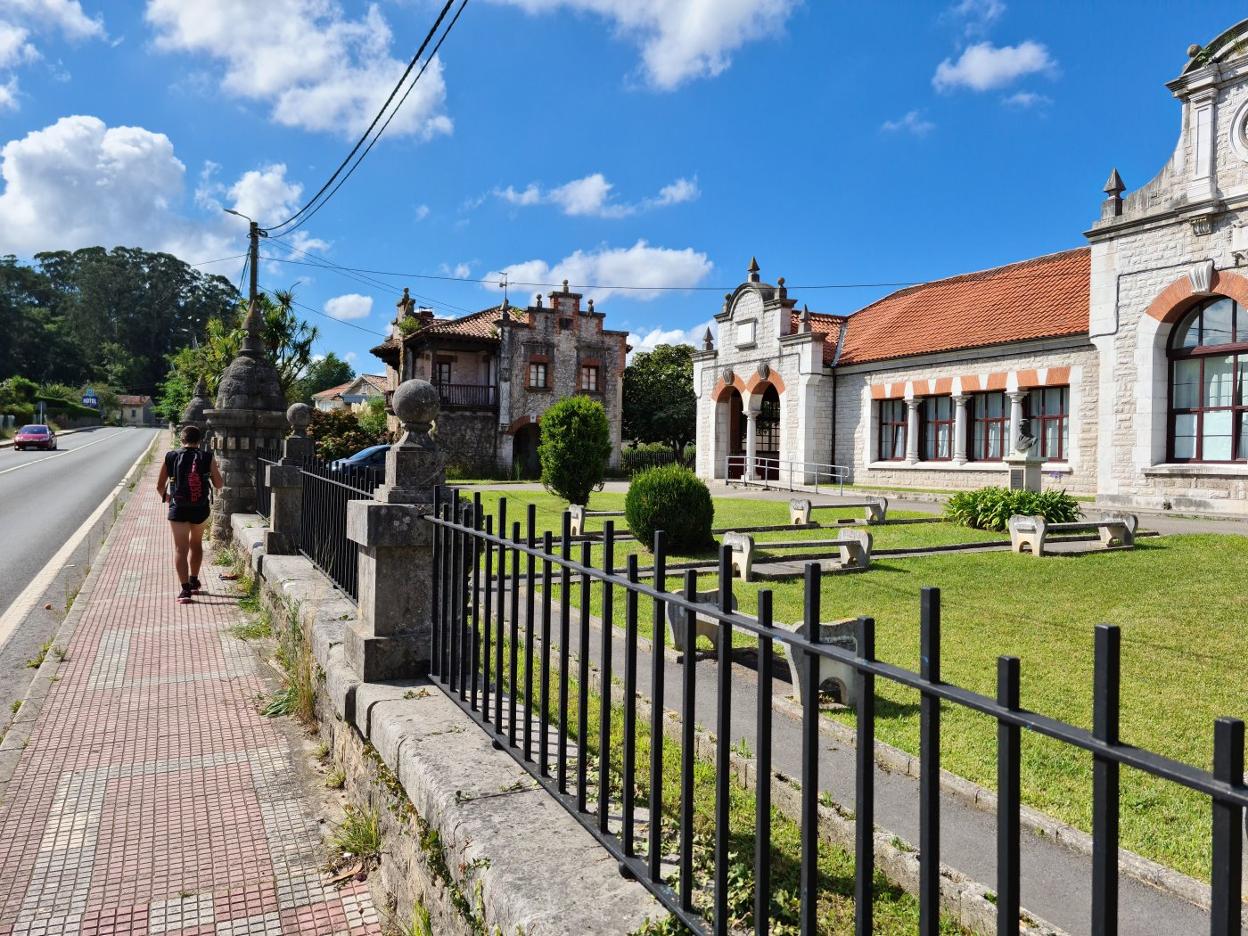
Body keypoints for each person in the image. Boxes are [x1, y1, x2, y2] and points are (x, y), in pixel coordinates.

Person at [156, 425, 224, 604]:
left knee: (180, 548)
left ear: (181, 439)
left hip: (178, 508)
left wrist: (169, 498)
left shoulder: (171, 456)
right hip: (200, 508)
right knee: (196, 543)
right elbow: (218, 484)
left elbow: (159, 486)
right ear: (200, 440)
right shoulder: (207, 457)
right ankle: (194, 580)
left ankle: (185, 590)